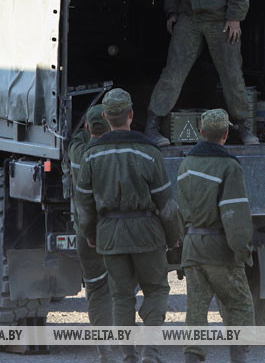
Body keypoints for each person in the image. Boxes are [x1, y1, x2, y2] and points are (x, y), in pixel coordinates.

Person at [74, 88, 183, 363]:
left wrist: (91, 235)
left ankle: (128, 354)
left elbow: (84, 206)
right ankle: (150, 351)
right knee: (156, 289)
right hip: (148, 233)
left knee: (121, 296)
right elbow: (167, 204)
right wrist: (174, 238)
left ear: (106, 118)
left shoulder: (90, 155)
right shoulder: (149, 152)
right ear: (131, 114)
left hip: (109, 235)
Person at [145, 0, 259, 147]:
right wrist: (172, 12)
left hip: (222, 20)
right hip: (189, 18)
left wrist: (235, 17)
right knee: (173, 70)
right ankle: (153, 125)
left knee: (231, 73)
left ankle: (244, 126)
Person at [176, 109, 255, 363]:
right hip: (219, 249)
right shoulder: (229, 167)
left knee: (196, 309)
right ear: (226, 134)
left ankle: (193, 358)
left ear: (201, 133)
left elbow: (180, 210)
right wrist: (243, 251)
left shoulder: (186, 163)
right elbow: (235, 215)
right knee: (240, 305)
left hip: (192, 247)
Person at [68, 104, 115, 362]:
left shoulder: (78, 152)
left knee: (96, 290)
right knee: (121, 289)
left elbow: (75, 139)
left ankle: (104, 348)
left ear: (88, 127)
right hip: (117, 230)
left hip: (87, 234)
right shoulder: (117, 153)